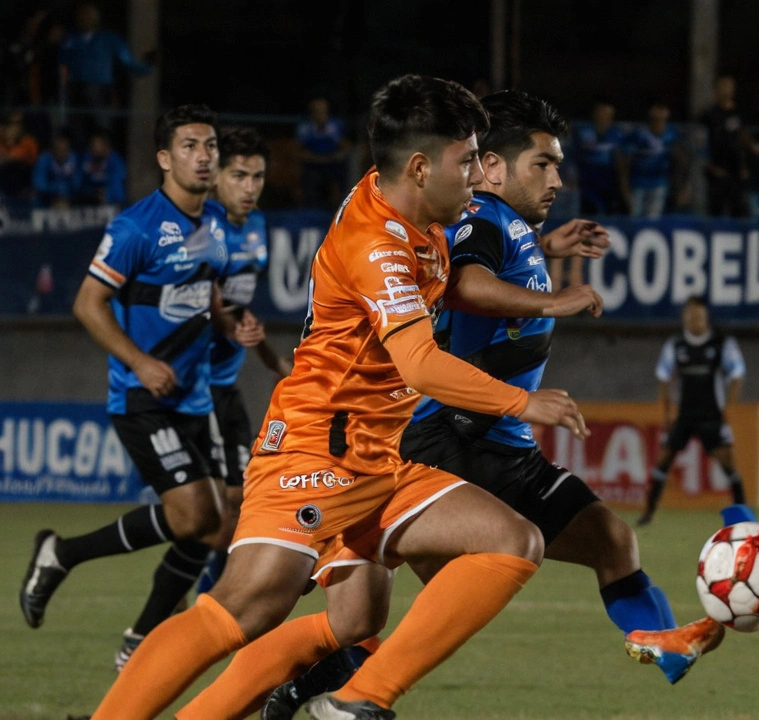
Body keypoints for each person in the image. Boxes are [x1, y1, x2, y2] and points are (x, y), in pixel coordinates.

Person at [180, 90, 717, 720]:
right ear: (489, 166)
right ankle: (340, 696)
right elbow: (462, 281)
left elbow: (468, 268)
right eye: (541, 164)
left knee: (607, 540)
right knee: (368, 604)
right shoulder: (476, 218)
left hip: (500, 448)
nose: (557, 178)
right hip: (445, 438)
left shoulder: (507, 226)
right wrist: (550, 302)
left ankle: (652, 638)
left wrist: (543, 251)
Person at [85, 75, 587, 720]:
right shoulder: (376, 242)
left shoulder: (425, 211)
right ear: (418, 165)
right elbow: (421, 363)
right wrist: (522, 403)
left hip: (375, 452)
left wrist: (542, 260)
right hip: (317, 448)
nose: (476, 177)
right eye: (466, 161)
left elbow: (451, 285)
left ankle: (353, 702)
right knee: (246, 606)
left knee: (478, 556)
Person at [20, 105, 250, 673]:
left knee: (214, 525)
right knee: (198, 515)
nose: (204, 155)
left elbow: (206, 291)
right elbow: (86, 303)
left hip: (196, 396)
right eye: (191, 146)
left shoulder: (214, 225)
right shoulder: (135, 227)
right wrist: (140, 361)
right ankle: (67, 558)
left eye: (211, 145)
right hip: (144, 398)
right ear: (165, 158)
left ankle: (133, 631)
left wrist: (226, 321)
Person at [194, 126, 293, 595]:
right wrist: (229, 326)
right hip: (193, 381)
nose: (250, 187)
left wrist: (272, 360)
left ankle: (204, 596)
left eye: (257, 176)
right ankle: (196, 597)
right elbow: (208, 298)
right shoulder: (202, 222)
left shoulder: (255, 226)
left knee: (236, 499)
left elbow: (236, 303)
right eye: (239, 176)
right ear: (216, 177)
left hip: (225, 380)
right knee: (215, 506)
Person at [638, 296, 748, 526]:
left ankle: (744, 517)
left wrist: (729, 406)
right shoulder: (676, 345)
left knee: (728, 464)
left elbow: (737, 373)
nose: (694, 320)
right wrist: (667, 412)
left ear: (706, 317)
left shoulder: (721, 344)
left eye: (698, 315)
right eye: (689, 315)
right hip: (684, 416)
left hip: (711, 416)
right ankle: (648, 513)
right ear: (684, 317)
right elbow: (663, 377)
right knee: (663, 460)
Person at [58, 2, 154, 140]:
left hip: (100, 92)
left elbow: (128, 62)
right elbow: (61, 65)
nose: (85, 18)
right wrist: (63, 92)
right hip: (76, 92)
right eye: (82, 15)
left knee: (102, 133)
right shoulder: (71, 39)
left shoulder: (110, 39)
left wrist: (147, 67)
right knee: (76, 132)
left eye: (89, 15)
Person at [701, 74, 751, 217]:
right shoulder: (710, 115)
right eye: (723, 86)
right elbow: (699, 141)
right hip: (717, 170)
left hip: (736, 171)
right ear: (716, 90)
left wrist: (744, 166)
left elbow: (743, 139)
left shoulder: (738, 113)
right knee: (716, 210)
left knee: (739, 210)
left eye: (729, 87)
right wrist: (709, 165)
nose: (726, 90)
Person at [624, 100, 682, 218]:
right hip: (638, 183)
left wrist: (680, 186)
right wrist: (625, 187)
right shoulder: (639, 133)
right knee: (635, 218)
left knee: (653, 220)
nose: (660, 114)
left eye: (663, 110)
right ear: (651, 112)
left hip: (659, 183)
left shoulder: (672, 133)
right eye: (657, 109)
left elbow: (680, 159)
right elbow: (623, 157)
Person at [573, 98, 627, 215]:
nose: (604, 117)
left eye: (608, 114)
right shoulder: (582, 132)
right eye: (601, 113)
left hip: (608, 180)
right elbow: (575, 156)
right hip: (587, 180)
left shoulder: (617, 134)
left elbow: (620, 161)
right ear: (595, 113)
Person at [296, 97, 351, 208]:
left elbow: (346, 147)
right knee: (309, 179)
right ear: (311, 113)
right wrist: (316, 159)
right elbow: (298, 151)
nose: (320, 114)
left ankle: (343, 209)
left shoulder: (335, 126)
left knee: (342, 174)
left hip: (333, 164)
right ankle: (311, 211)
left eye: (323, 111)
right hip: (312, 165)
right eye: (316, 111)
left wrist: (335, 156)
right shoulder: (305, 128)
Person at [77, 127, 126, 205]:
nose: (93, 148)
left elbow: (118, 192)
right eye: (92, 145)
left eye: (96, 145)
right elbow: (79, 185)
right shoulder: (87, 159)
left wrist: (107, 195)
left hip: (111, 204)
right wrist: (93, 193)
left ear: (105, 145)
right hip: (90, 202)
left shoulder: (115, 161)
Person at [32, 131, 80, 207]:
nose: (60, 153)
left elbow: (78, 184)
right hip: (48, 199)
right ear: (53, 149)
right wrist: (56, 189)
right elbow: (39, 184)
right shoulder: (44, 159)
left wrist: (65, 191)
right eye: (58, 149)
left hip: (70, 199)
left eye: (64, 150)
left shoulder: (75, 159)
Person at [0, 110, 39, 199]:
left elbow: (12, 157)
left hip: (24, 183)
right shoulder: (3, 143)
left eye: (19, 124)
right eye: (12, 124)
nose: (16, 128)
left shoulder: (28, 142)